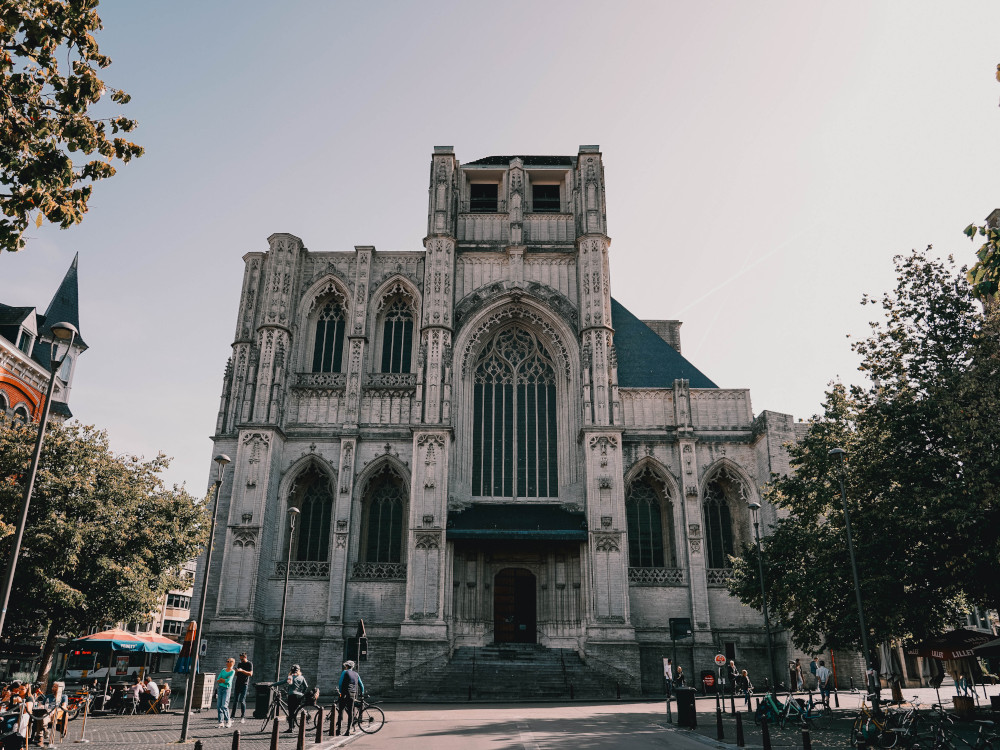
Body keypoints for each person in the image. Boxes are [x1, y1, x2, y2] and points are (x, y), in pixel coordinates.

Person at [272, 665, 308, 733]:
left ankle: (291, 728)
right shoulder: (302, 677)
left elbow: (283, 682)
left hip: (292, 695)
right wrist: (301, 693)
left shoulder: (290, 677)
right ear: (299, 671)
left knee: (291, 712)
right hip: (299, 696)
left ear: (291, 671)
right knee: (295, 711)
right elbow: (306, 686)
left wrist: (272, 685)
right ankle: (293, 725)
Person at [336, 660, 365, 737]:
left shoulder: (344, 672)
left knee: (341, 711)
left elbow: (340, 683)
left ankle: (338, 730)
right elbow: (361, 685)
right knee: (351, 712)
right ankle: (348, 730)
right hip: (353, 694)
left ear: (346, 666)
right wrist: (362, 693)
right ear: (352, 667)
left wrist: (341, 693)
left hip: (345, 693)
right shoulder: (356, 674)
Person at [231, 652, 253, 724]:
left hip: (244, 684)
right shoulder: (239, 664)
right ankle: (232, 717)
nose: (241, 661)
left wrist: (242, 670)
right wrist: (236, 671)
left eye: (242, 659)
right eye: (240, 659)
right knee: (235, 700)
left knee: (242, 700)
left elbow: (250, 674)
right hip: (238, 683)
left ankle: (243, 717)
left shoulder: (249, 664)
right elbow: (236, 675)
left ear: (245, 657)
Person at [216, 657, 236, 728]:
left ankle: (228, 721)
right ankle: (221, 722)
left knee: (224, 705)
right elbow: (218, 679)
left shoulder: (232, 671)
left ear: (232, 663)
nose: (227, 662)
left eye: (229, 661)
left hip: (227, 689)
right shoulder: (223, 670)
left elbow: (228, 681)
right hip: (220, 688)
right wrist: (223, 680)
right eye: (227, 661)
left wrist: (223, 680)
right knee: (219, 706)